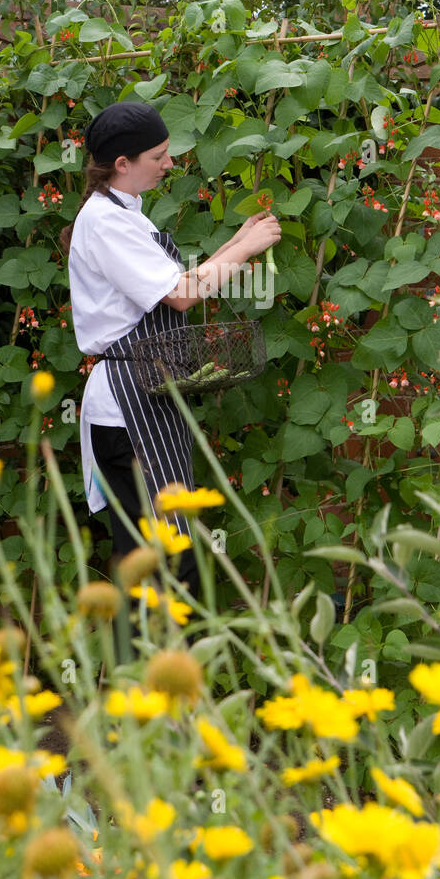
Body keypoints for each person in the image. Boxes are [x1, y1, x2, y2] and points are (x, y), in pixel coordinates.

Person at [64, 100, 281, 600]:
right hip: (128, 407)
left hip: (147, 397)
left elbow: (174, 281)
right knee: (161, 559)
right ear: (123, 164)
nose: (169, 163)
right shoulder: (106, 223)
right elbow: (181, 295)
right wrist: (245, 251)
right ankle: (153, 671)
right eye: (159, 156)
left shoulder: (123, 214)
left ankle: (146, 669)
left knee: (157, 554)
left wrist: (237, 239)